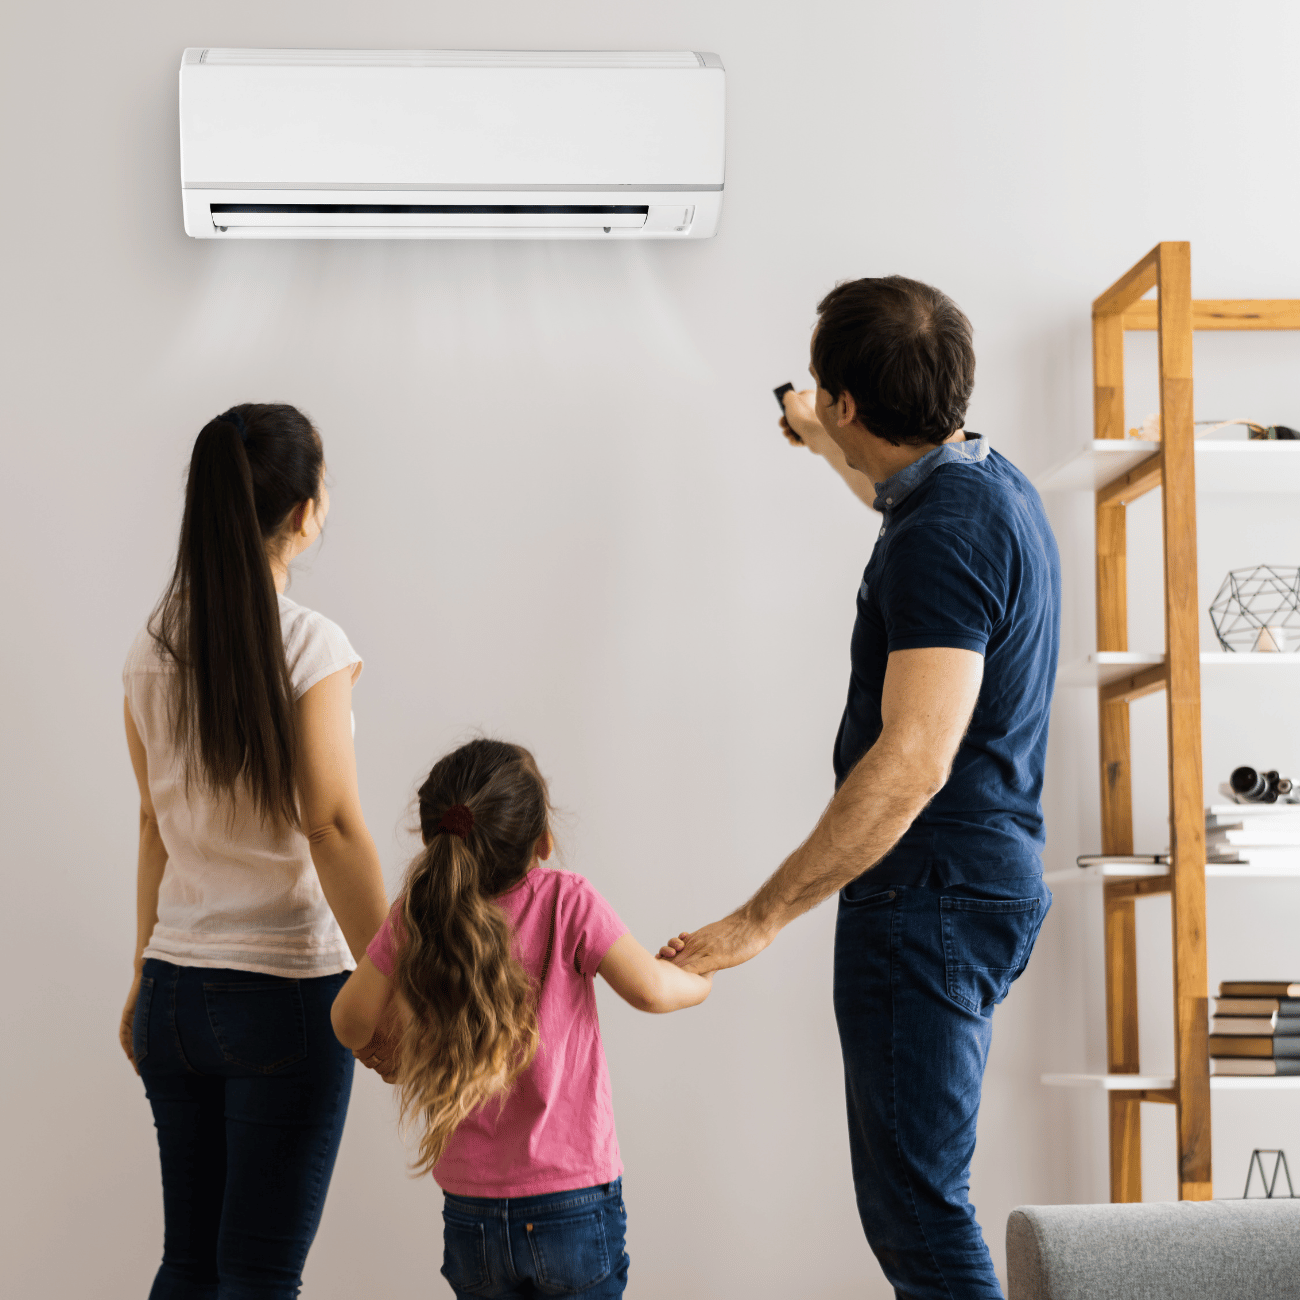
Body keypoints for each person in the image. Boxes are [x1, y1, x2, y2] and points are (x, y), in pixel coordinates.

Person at [662, 277, 1060, 1299]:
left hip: (927, 893)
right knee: (920, 1201)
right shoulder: (979, 482)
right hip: (977, 883)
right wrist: (816, 436)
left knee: (916, 1213)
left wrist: (762, 916)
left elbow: (913, 760)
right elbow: (889, 490)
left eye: (825, 397)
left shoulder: (941, 534)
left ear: (849, 402)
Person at [119, 404, 391, 1299]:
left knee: (189, 1264)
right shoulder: (313, 646)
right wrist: (399, 970)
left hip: (173, 993)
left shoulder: (150, 650)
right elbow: (332, 825)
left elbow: (155, 827)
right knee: (258, 1276)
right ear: (305, 512)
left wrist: (139, 979)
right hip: (284, 994)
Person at [330, 738, 712, 1300]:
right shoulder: (567, 899)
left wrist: (395, 1057)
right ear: (542, 841)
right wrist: (700, 979)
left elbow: (347, 1019)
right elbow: (653, 991)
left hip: (471, 1211)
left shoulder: (417, 912)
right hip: (571, 1199)